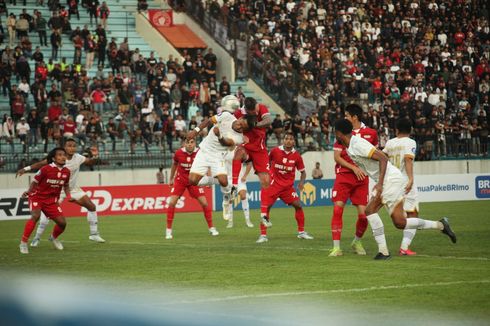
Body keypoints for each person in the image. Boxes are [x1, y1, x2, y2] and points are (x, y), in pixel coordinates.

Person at [334, 119, 457, 260]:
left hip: (390, 180)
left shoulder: (357, 144)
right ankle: (441, 225)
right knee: (400, 223)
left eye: (335, 132)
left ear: (339, 133)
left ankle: (383, 252)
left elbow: (383, 159)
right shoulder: (350, 147)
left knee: (369, 210)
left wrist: (380, 183)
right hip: (390, 179)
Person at [16, 138, 106, 245]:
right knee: (45, 217)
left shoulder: (78, 157)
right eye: (69, 146)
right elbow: (41, 164)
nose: (72, 148)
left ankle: (94, 234)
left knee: (91, 206)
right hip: (55, 190)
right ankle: (37, 238)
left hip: (72, 188)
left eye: (74, 146)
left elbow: (90, 162)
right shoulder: (58, 158)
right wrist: (25, 169)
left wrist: (95, 156)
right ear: (64, 147)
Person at [329, 104, 378, 257]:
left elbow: (375, 155)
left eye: (347, 115)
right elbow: (337, 157)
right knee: (338, 209)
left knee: (364, 216)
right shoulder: (342, 131)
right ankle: (336, 248)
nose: (345, 118)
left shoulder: (371, 133)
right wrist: (353, 168)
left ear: (355, 117)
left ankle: (357, 241)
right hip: (344, 176)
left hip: (362, 179)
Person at [256, 132, 314, 243]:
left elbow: (303, 172)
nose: (288, 140)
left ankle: (301, 232)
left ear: (294, 141)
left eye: (291, 139)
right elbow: (265, 163)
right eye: (286, 138)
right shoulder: (275, 151)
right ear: (283, 140)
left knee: (298, 205)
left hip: (287, 187)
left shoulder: (297, 156)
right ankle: (263, 235)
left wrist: (301, 183)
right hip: (274, 185)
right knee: (266, 207)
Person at [19, 147, 71, 254]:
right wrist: (29, 191)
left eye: (64, 155)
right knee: (35, 216)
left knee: (62, 223)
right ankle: (23, 243)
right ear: (53, 158)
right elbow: (34, 182)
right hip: (37, 197)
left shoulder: (67, 171)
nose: (63, 157)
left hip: (51, 201)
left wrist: (69, 196)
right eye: (60, 155)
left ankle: (53, 237)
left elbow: (66, 185)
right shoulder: (45, 169)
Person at [231, 97, 272, 225]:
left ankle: (264, 215)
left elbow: (268, 121)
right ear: (246, 110)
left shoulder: (261, 108)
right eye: (252, 112)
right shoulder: (239, 113)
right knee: (238, 153)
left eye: (255, 110)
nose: (255, 113)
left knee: (266, 181)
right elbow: (232, 125)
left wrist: (253, 124)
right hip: (247, 147)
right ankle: (234, 185)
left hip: (260, 150)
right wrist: (238, 129)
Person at [166, 138, 216, 239]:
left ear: (195, 143)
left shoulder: (200, 153)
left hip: (194, 180)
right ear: (184, 143)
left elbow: (207, 166)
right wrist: (171, 178)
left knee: (204, 203)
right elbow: (174, 165)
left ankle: (211, 228)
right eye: (187, 142)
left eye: (192, 142)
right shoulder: (178, 153)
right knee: (172, 202)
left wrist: (209, 179)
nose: (189, 144)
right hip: (181, 180)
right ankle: (168, 231)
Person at [383, 118, 420, 256]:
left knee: (399, 214)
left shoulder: (390, 143)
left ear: (396, 130)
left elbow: (382, 159)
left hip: (391, 182)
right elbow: (408, 159)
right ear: (410, 130)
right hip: (404, 181)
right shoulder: (410, 142)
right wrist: (411, 179)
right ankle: (404, 247)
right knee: (413, 213)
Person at [222, 151, 253, 229]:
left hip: (239, 179)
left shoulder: (240, 151)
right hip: (229, 179)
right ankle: (230, 221)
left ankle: (248, 220)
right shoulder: (223, 150)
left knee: (243, 195)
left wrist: (245, 175)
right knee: (231, 199)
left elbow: (249, 162)